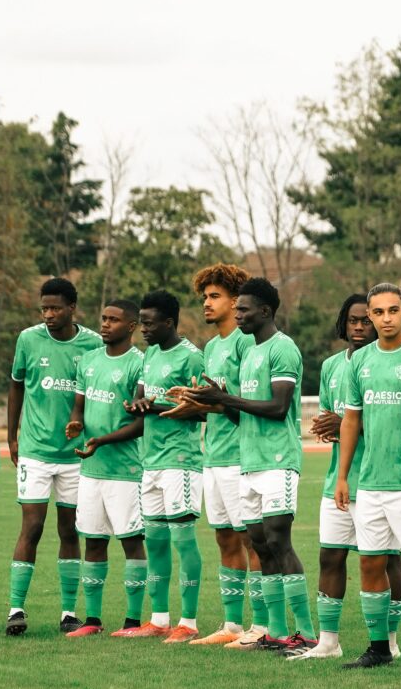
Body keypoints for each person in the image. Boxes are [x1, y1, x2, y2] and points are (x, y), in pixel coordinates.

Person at [181, 277, 315, 652]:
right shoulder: (252, 352)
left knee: (278, 540)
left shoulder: (282, 349)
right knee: (259, 542)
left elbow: (278, 408)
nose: (238, 315)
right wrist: (216, 403)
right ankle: (273, 631)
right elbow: (244, 417)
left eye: (243, 309)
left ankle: (305, 631)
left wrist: (226, 399)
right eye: (236, 308)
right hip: (249, 462)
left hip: (277, 461)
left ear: (265, 311)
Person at [334, 284, 401, 670]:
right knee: (369, 564)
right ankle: (378, 647)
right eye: (377, 313)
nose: (384, 319)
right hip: (370, 483)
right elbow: (351, 420)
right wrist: (343, 476)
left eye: (391, 311)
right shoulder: (359, 361)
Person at [294, 294, 401, 660]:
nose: (359, 326)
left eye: (365, 319)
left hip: (380, 480)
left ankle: (389, 641)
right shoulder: (331, 366)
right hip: (337, 480)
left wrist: (344, 425)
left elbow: (388, 423)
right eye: (352, 320)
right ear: (343, 324)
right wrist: (332, 427)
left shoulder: (389, 361)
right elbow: (329, 423)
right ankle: (328, 642)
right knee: (330, 557)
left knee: (388, 561)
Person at [5, 278, 103, 636]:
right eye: (44, 308)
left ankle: (68, 613)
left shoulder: (92, 343)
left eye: (55, 308)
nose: (48, 314)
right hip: (36, 450)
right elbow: (16, 385)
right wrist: (11, 435)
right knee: (31, 526)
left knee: (69, 530)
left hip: (75, 456)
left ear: (72, 307)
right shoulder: (28, 339)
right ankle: (16, 609)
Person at [182, 263, 267, 646]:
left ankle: (261, 625)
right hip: (212, 456)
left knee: (253, 541)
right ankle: (232, 625)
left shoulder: (247, 344)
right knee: (225, 540)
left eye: (214, 296)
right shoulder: (211, 348)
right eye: (204, 297)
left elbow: (244, 401)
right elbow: (214, 402)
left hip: (241, 457)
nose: (207, 303)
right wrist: (189, 401)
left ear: (237, 302)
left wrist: (214, 401)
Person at [62, 300, 147, 638]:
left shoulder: (139, 364)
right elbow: (79, 407)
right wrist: (75, 424)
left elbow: (142, 422)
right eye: (104, 318)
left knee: (131, 542)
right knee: (93, 541)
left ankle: (132, 621)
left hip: (125, 471)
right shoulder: (90, 361)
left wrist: (102, 440)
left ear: (131, 326)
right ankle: (93, 620)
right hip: (91, 472)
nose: (106, 324)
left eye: (114, 320)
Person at [126, 290, 207, 642]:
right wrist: (137, 404)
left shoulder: (192, 358)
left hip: (181, 460)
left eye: (148, 322)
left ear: (169, 323)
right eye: (141, 322)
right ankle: (159, 619)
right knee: (155, 540)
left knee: (183, 540)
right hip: (151, 459)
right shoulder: (150, 354)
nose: (142, 328)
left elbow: (205, 408)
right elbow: (143, 395)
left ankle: (188, 622)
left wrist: (152, 406)